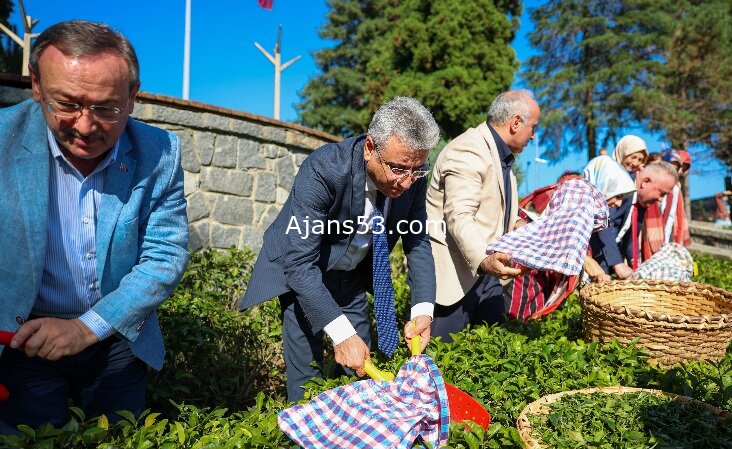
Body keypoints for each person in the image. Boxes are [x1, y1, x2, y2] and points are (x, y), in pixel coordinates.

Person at [0, 21, 189, 432]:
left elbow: (165, 255)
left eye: (106, 109)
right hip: (19, 336)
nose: (85, 127)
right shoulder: (2, 140)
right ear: (37, 85)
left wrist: (86, 328)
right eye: (67, 104)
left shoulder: (160, 152)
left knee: (120, 436)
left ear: (132, 97)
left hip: (114, 336)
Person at [241, 97, 440, 402]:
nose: (406, 182)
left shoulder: (411, 176)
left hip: (352, 277)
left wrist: (423, 311)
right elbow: (300, 264)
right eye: (398, 169)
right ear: (370, 148)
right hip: (305, 276)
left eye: (417, 170)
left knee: (360, 376)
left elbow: (417, 240)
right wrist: (342, 335)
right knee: (306, 381)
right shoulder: (324, 169)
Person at [425, 89, 539, 342]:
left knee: (493, 352)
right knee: (441, 359)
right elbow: (459, 215)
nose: (533, 135)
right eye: (533, 127)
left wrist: (521, 226)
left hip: (487, 277)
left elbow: (495, 211)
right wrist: (484, 260)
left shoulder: (502, 158)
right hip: (454, 279)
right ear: (516, 122)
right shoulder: (469, 149)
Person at [589, 161, 679, 278]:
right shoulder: (620, 187)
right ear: (645, 182)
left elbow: (631, 237)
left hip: (606, 261)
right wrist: (617, 263)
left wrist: (636, 264)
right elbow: (603, 225)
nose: (661, 199)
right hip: (591, 257)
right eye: (661, 193)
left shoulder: (641, 203)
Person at [641, 149, 692, 259]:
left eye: (682, 168)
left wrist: (664, 243)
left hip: (661, 235)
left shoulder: (675, 189)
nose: (680, 172)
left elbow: (670, 216)